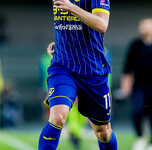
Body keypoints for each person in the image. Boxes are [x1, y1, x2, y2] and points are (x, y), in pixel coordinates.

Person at [38, 0, 117, 149]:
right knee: (57, 118)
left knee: (103, 133)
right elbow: (68, 26)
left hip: (93, 70)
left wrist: (72, 7)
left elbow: (101, 24)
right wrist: (62, 46)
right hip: (63, 66)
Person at [121, 18, 152, 150]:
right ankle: (141, 137)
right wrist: (125, 85)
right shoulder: (135, 45)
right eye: (142, 25)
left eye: (146, 26)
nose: (143, 28)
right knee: (137, 111)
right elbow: (127, 68)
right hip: (139, 86)